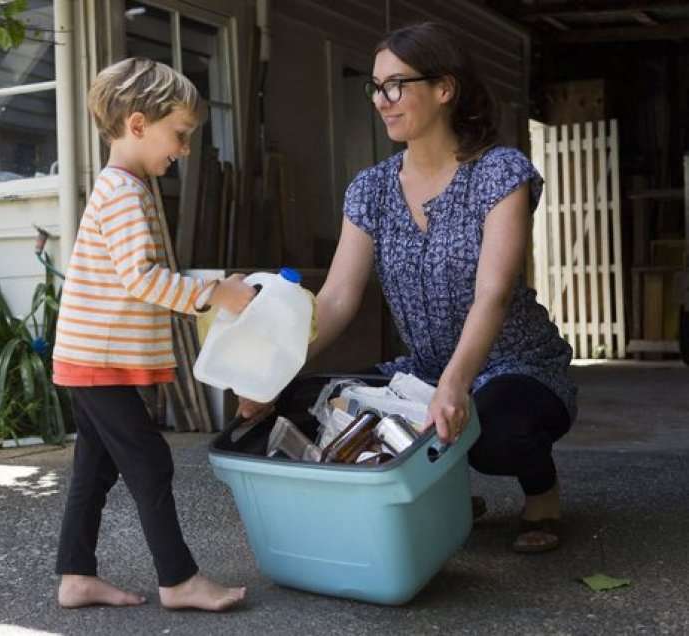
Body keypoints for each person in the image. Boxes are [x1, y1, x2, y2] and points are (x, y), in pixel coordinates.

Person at [241, 22, 577, 553]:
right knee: (308, 402)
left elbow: (492, 291)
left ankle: (542, 494)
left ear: (444, 89)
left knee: (494, 433)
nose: (382, 100)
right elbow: (336, 298)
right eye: (376, 87)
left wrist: (455, 384)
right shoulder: (371, 189)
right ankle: (440, 493)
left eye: (395, 84)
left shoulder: (499, 173)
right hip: (421, 369)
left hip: (514, 364)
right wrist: (270, 372)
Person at [52, 57, 253, 611]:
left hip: (91, 358)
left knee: (94, 469)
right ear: (138, 125)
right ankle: (179, 578)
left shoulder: (127, 186)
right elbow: (140, 277)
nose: (185, 149)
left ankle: (75, 575)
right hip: (97, 361)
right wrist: (213, 294)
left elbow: (135, 277)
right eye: (180, 135)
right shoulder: (122, 193)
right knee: (150, 462)